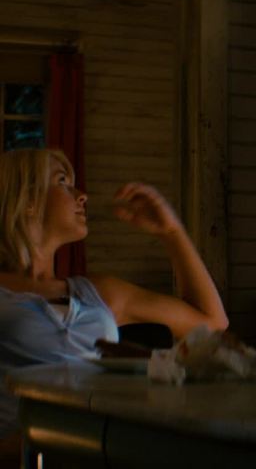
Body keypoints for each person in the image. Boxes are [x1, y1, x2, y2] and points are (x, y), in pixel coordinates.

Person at [0, 148, 228, 439]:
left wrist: (171, 233)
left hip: (96, 447)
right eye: (62, 182)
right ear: (27, 200)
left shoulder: (99, 293)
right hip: (20, 451)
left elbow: (212, 322)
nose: (82, 195)